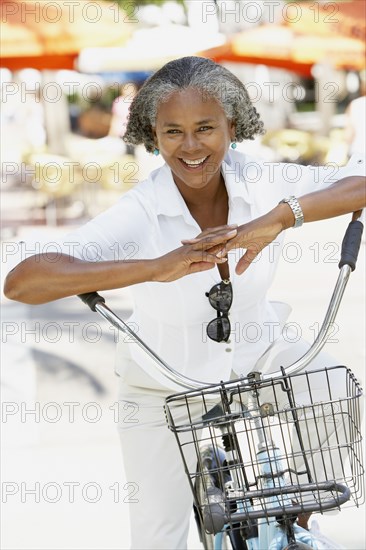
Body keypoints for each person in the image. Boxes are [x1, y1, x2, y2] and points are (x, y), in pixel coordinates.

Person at [4, 57, 365, 550]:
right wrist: (155, 267)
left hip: (261, 358)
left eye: (205, 128)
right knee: (157, 538)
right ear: (153, 134)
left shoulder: (262, 182)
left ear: (231, 125)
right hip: (161, 386)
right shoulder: (142, 210)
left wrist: (282, 217)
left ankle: (299, 521)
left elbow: (360, 180)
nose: (191, 147)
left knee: (333, 386)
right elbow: (23, 281)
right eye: (173, 131)